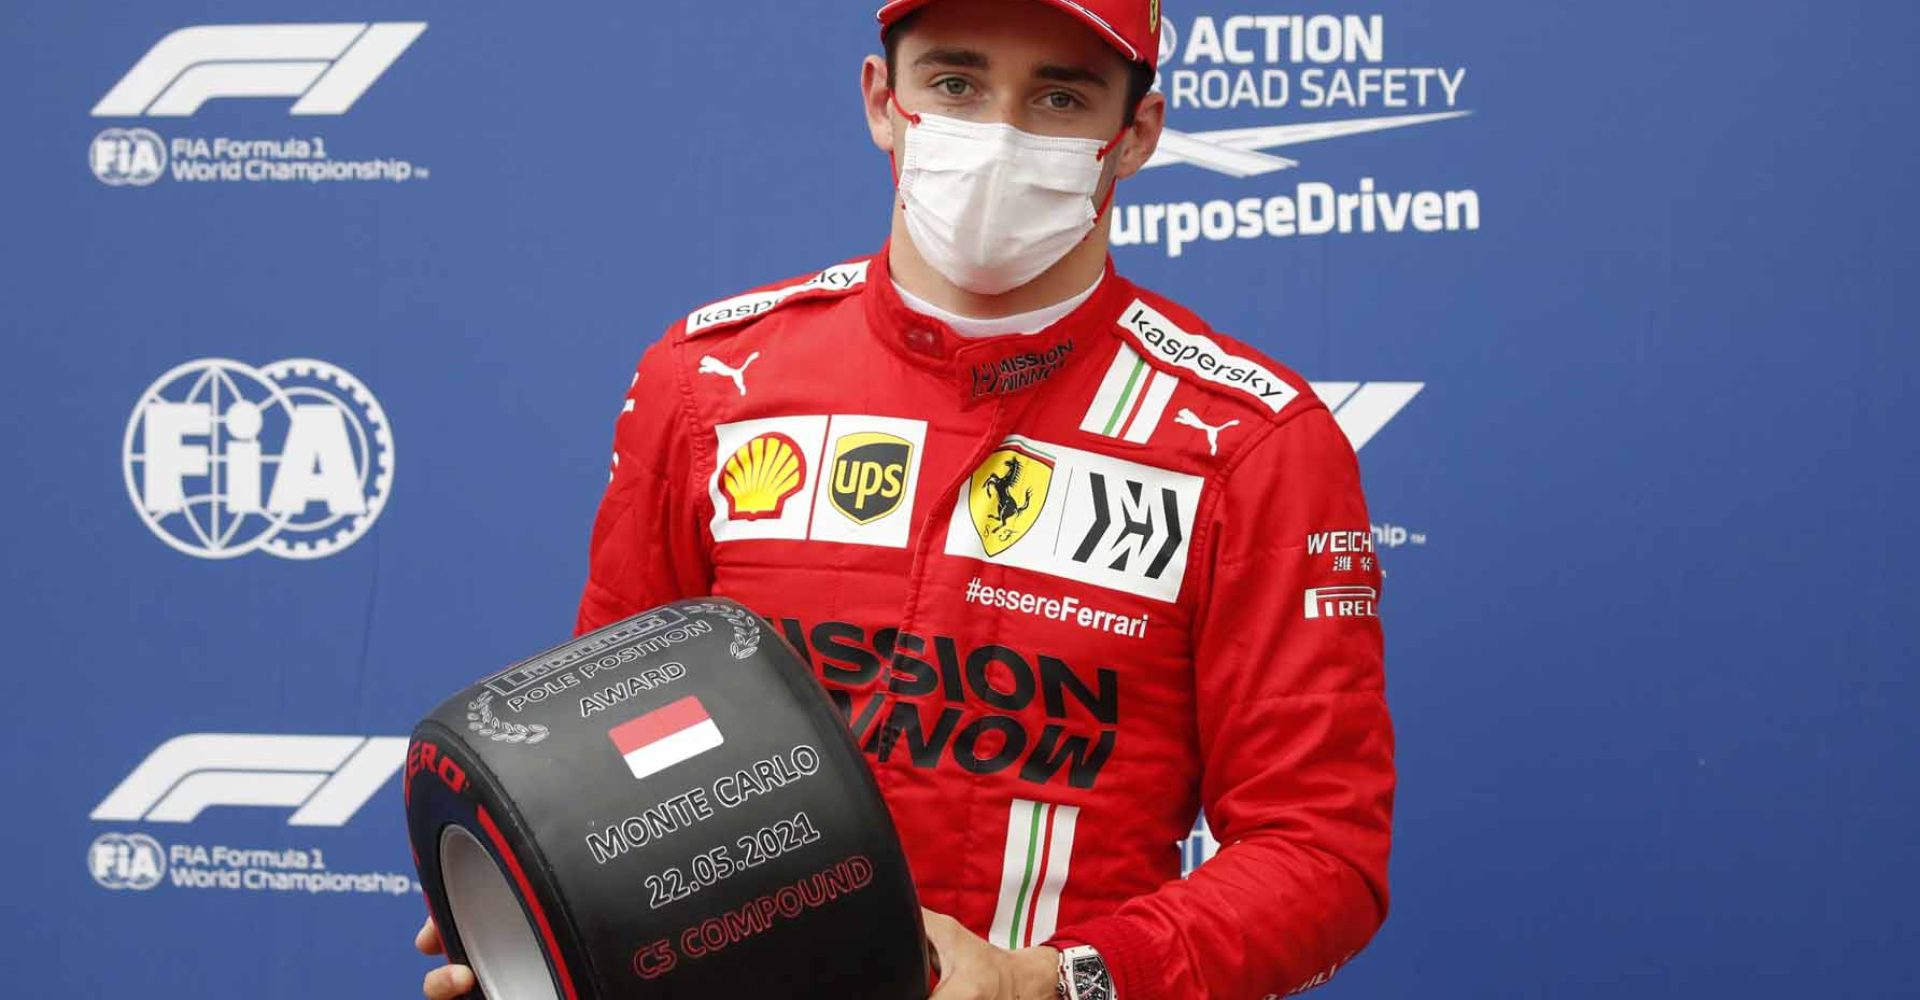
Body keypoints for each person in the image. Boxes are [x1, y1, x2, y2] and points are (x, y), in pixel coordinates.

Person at [419, 0, 1394, 996]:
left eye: (1059, 96)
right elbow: (596, 750)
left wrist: (1048, 983)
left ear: (1134, 135)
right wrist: (529, 912)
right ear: (883, 100)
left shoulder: (1253, 442)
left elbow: (1321, 855)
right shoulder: (708, 383)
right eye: (956, 84)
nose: (999, 135)